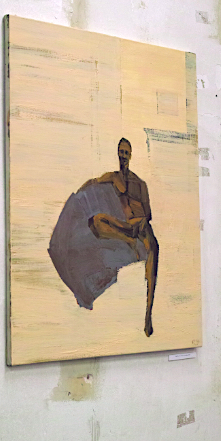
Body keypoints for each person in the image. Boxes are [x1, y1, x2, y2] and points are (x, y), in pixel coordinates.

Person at [78, 138, 159, 336]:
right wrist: (80, 192)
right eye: (121, 152)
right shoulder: (113, 178)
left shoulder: (140, 184)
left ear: (130, 155)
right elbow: (94, 182)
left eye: (126, 153)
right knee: (96, 222)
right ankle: (128, 240)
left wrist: (140, 223)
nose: (123, 156)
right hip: (125, 226)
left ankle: (148, 314)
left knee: (154, 251)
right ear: (117, 154)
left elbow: (148, 213)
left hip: (140, 226)